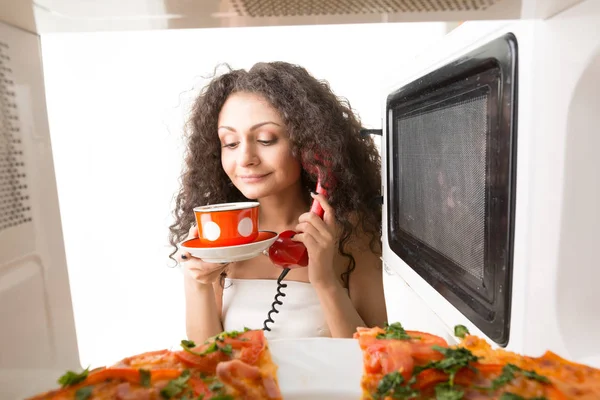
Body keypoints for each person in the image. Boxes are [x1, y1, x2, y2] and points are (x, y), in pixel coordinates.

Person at [169, 61, 387, 343]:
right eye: (231, 143)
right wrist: (196, 282)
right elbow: (206, 357)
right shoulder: (221, 236)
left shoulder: (351, 233)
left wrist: (324, 279)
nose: (245, 158)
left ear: (311, 148)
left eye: (266, 139)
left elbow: (376, 356)